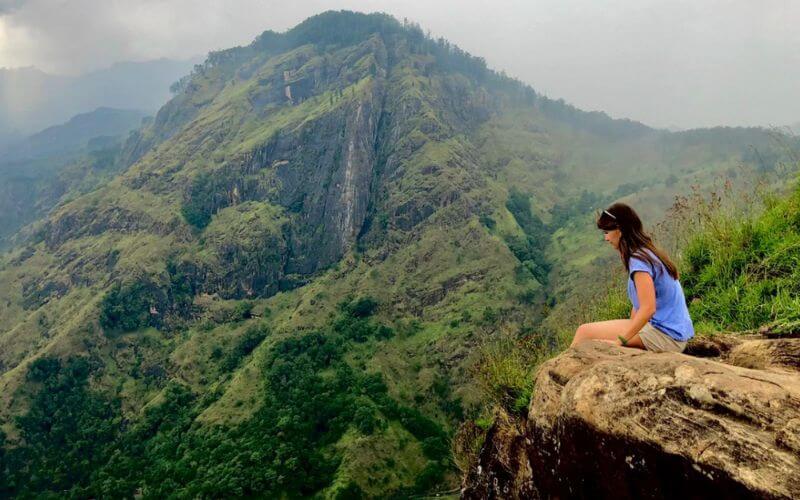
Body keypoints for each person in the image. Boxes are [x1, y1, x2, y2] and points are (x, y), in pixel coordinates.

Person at [570, 202, 694, 352]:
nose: (606, 238)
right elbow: (639, 307)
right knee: (591, 333)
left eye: (607, 232)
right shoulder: (646, 252)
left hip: (666, 336)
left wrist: (620, 341)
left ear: (620, 230)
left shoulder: (639, 261)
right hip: (672, 332)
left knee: (585, 332)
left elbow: (648, 308)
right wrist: (627, 334)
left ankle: (562, 372)